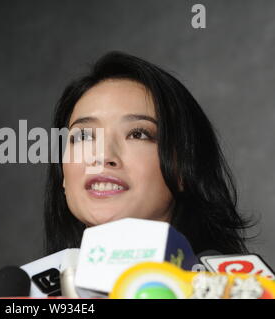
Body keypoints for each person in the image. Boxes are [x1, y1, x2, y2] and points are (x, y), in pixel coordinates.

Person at [44, 51, 254, 256]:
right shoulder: (27, 289)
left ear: (182, 167)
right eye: (83, 136)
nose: (103, 156)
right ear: (63, 176)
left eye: (137, 134)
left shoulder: (235, 289)